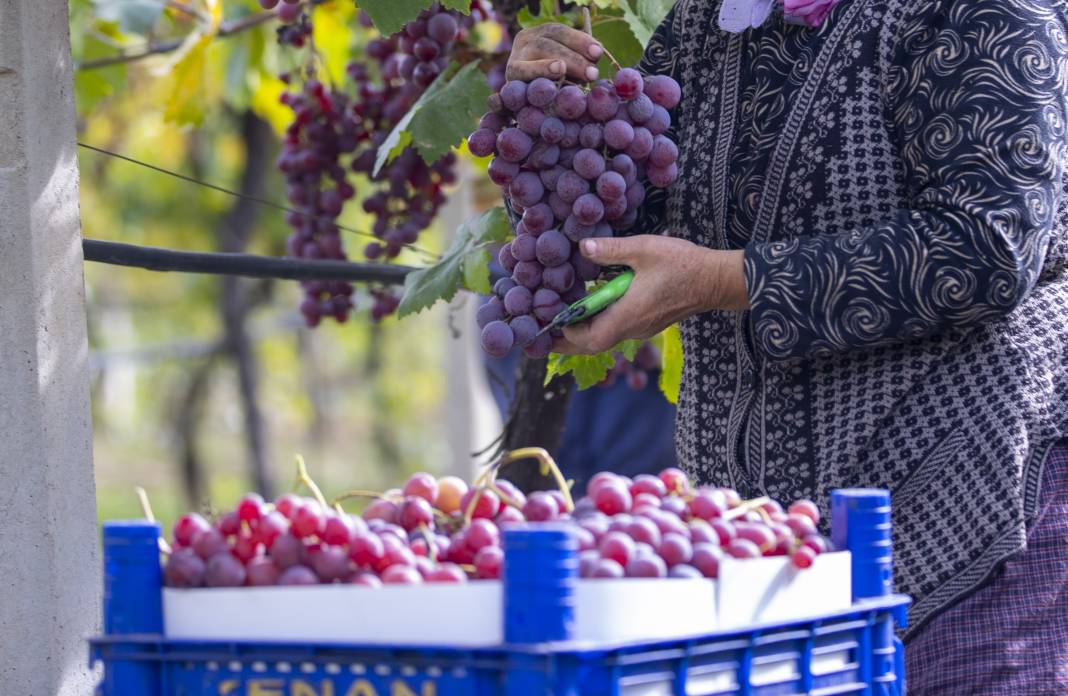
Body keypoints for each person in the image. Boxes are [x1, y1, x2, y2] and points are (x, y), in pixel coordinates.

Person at [506, 2, 1068, 694]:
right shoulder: (709, 24)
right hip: (766, 563)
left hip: (969, 538)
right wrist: (551, 123)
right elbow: (613, 236)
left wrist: (722, 280)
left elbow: (987, 246)